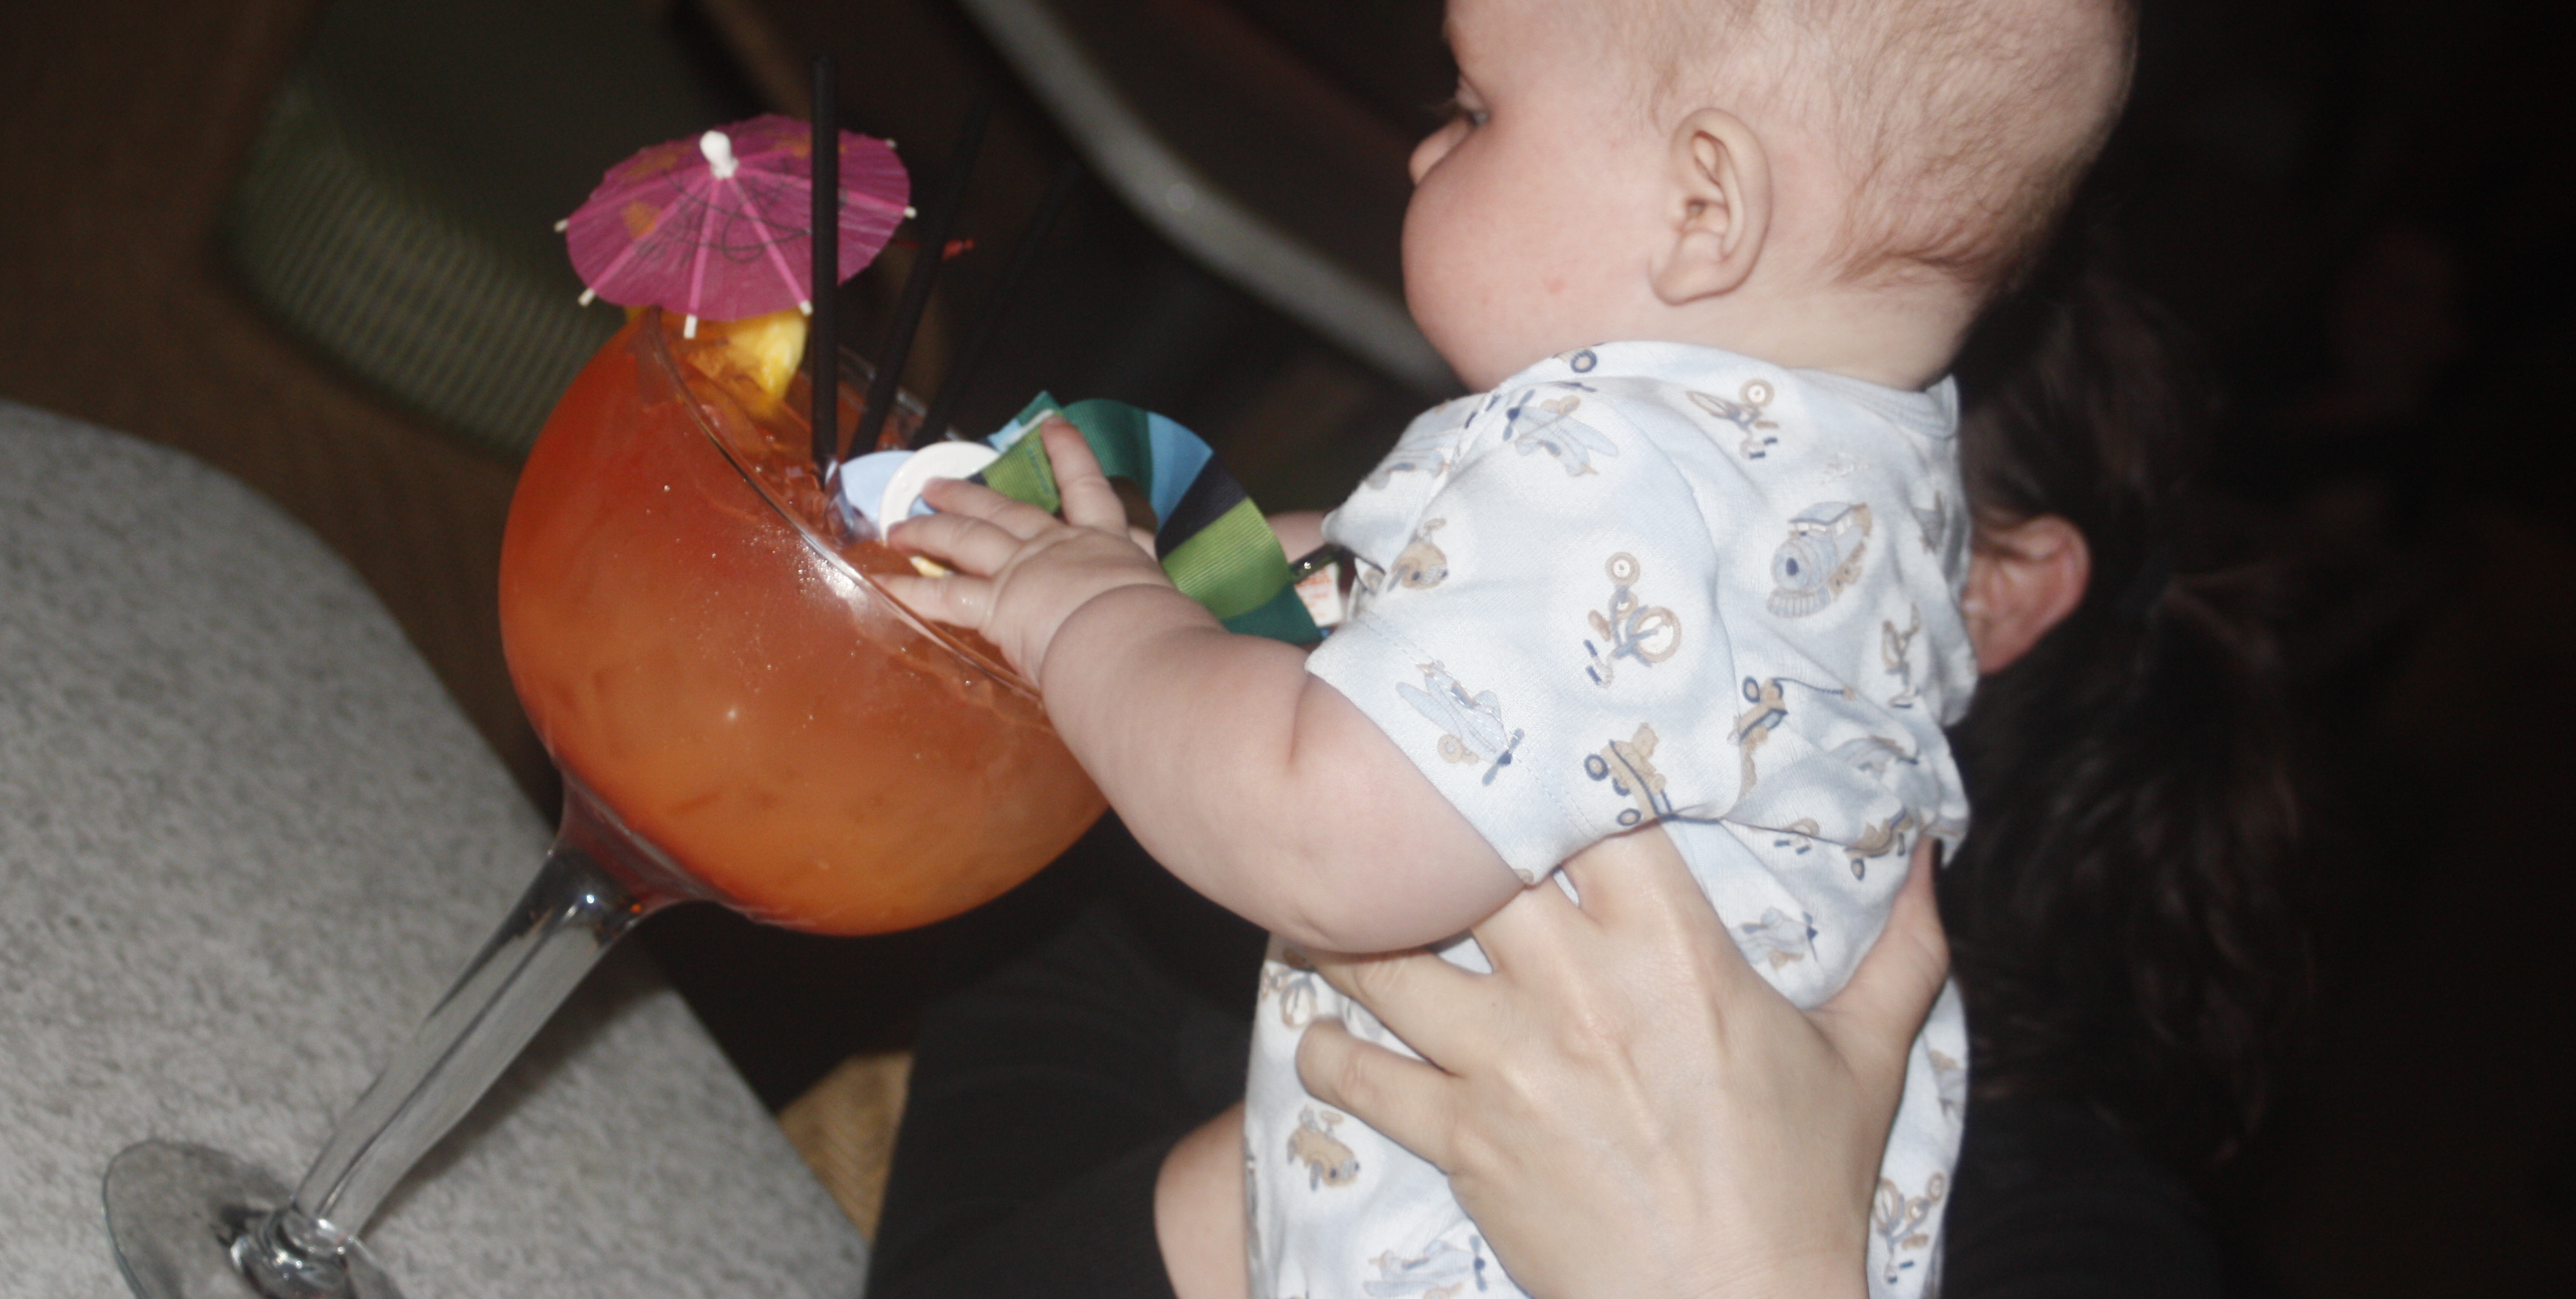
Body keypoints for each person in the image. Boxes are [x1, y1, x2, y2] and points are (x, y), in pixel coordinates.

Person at [887, 0, 2135, 1299]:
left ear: (1704, 205)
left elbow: (1318, 831)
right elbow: (1520, 655)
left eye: (1478, 106)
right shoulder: (1873, 492)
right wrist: (1262, 570)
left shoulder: (1611, 476)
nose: (1426, 152)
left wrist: (1093, 613)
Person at [866, 254, 2306, 1299]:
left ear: (1985, 592)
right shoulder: (1215, 789)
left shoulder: (2057, 1216)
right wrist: (1387, 1137)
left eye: (1702, 446)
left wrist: (1749, 1270)